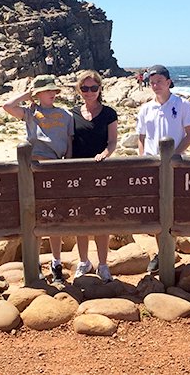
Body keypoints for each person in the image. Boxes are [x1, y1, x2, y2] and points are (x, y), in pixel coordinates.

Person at [2, 75, 74, 283]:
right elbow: (7, 106)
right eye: (47, 90)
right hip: (33, 166)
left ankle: (56, 262)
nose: (52, 93)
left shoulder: (65, 114)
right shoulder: (31, 113)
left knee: (54, 219)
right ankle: (34, 263)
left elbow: (68, 142)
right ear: (38, 94)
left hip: (55, 167)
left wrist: (66, 165)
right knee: (34, 216)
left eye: (54, 90)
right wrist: (28, 94)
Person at [136, 64, 190, 273]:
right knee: (156, 211)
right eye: (152, 82)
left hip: (175, 165)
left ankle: (169, 248)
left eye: (159, 81)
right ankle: (162, 251)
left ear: (169, 82)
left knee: (174, 209)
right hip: (153, 166)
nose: (155, 85)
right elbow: (142, 137)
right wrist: (142, 159)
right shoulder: (145, 109)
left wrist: (174, 156)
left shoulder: (182, 104)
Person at [71, 70, 118, 282]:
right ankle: (83, 261)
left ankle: (103, 264)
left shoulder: (109, 113)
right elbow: (69, 143)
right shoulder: (72, 114)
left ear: (100, 89)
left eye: (93, 88)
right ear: (79, 90)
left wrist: (104, 155)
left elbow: (113, 142)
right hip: (78, 172)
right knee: (81, 220)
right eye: (84, 88)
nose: (89, 92)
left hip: (101, 172)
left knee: (101, 219)